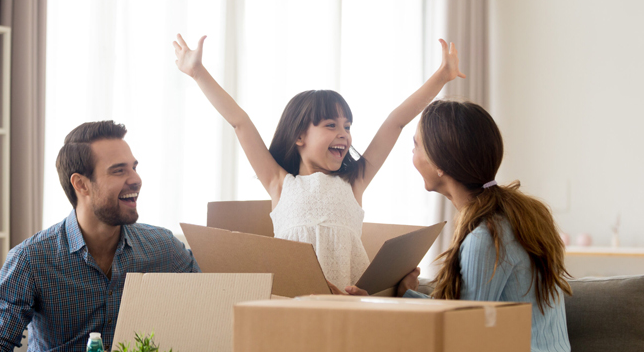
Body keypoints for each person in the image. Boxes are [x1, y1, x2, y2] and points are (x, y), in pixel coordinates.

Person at [173, 34, 464, 290]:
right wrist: (198, 72)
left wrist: (442, 76)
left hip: (350, 303)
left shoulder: (354, 182)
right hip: (297, 303)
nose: (344, 135)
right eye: (331, 125)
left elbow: (396, 122)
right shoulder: (279, 183)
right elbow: (240, 122)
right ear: (299, 136)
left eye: (347, 126)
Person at [345, 100, 572, 352]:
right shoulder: (512, 217)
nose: (412, 156)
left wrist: (376, 313)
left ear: (441, 164)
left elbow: (460, 339)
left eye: (416, 146)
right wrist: (406, 295)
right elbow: (469, 312)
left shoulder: (486, 237)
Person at [0, 121, 200, 352]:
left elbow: (214, 302)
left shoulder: (163, 248)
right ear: (81, 184)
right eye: (118, 171)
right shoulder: (31, 259)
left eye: (134, 167)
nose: (135, 179)